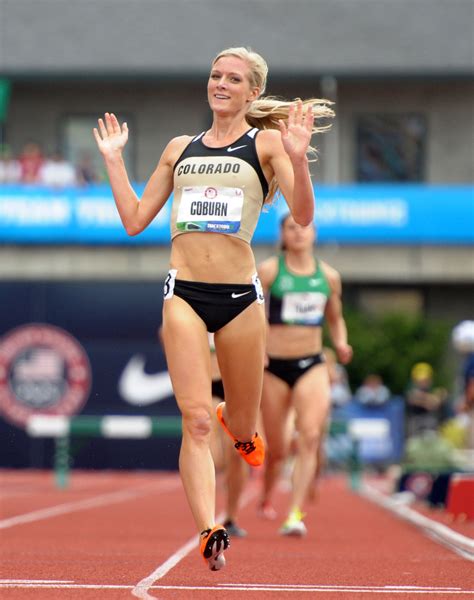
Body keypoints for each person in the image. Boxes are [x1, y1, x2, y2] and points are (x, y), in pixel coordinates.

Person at [93, 46, 334, 570]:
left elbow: (304, 213)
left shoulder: (265, 143)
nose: (220, 83)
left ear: (252, 92)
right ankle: (209, 527)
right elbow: (134, 220)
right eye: (215, 75)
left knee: (244, 430)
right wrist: (114, 161)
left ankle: (238, 424)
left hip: (241, 301)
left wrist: (296, 157)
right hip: (184, 293)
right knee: (195, 421)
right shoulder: (180, 147)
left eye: (233, 78)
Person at [258, 213, 352, 536]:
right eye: (291, 228)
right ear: (282, 234)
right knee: (277, 449)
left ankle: (294, 513)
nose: (298, 233)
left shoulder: (329, 276)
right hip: (274, 368)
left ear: (314, 233)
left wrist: (340, 342)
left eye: (304, 227)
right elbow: (252, 311)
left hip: (312, 363)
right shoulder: (269, 270)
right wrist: (258, 347)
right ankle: (267, 494)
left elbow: (335, 318)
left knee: (310, 436)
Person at [208, 333, 249, 538]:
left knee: (237, 453)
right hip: (208, 376)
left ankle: (231, 516)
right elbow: (166, 331)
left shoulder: (251, 301)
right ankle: (207, 519)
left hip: (238, 380)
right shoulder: (187, 301)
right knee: (211, 449)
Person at [405, 362, 448, 437]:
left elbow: (437, 401)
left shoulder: (433, 391)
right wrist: (430, 399)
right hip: (415, 431)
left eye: (425, 380)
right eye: (421, 380)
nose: (423, 383)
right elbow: (429, 402)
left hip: (430, 431)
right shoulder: (411, 392)